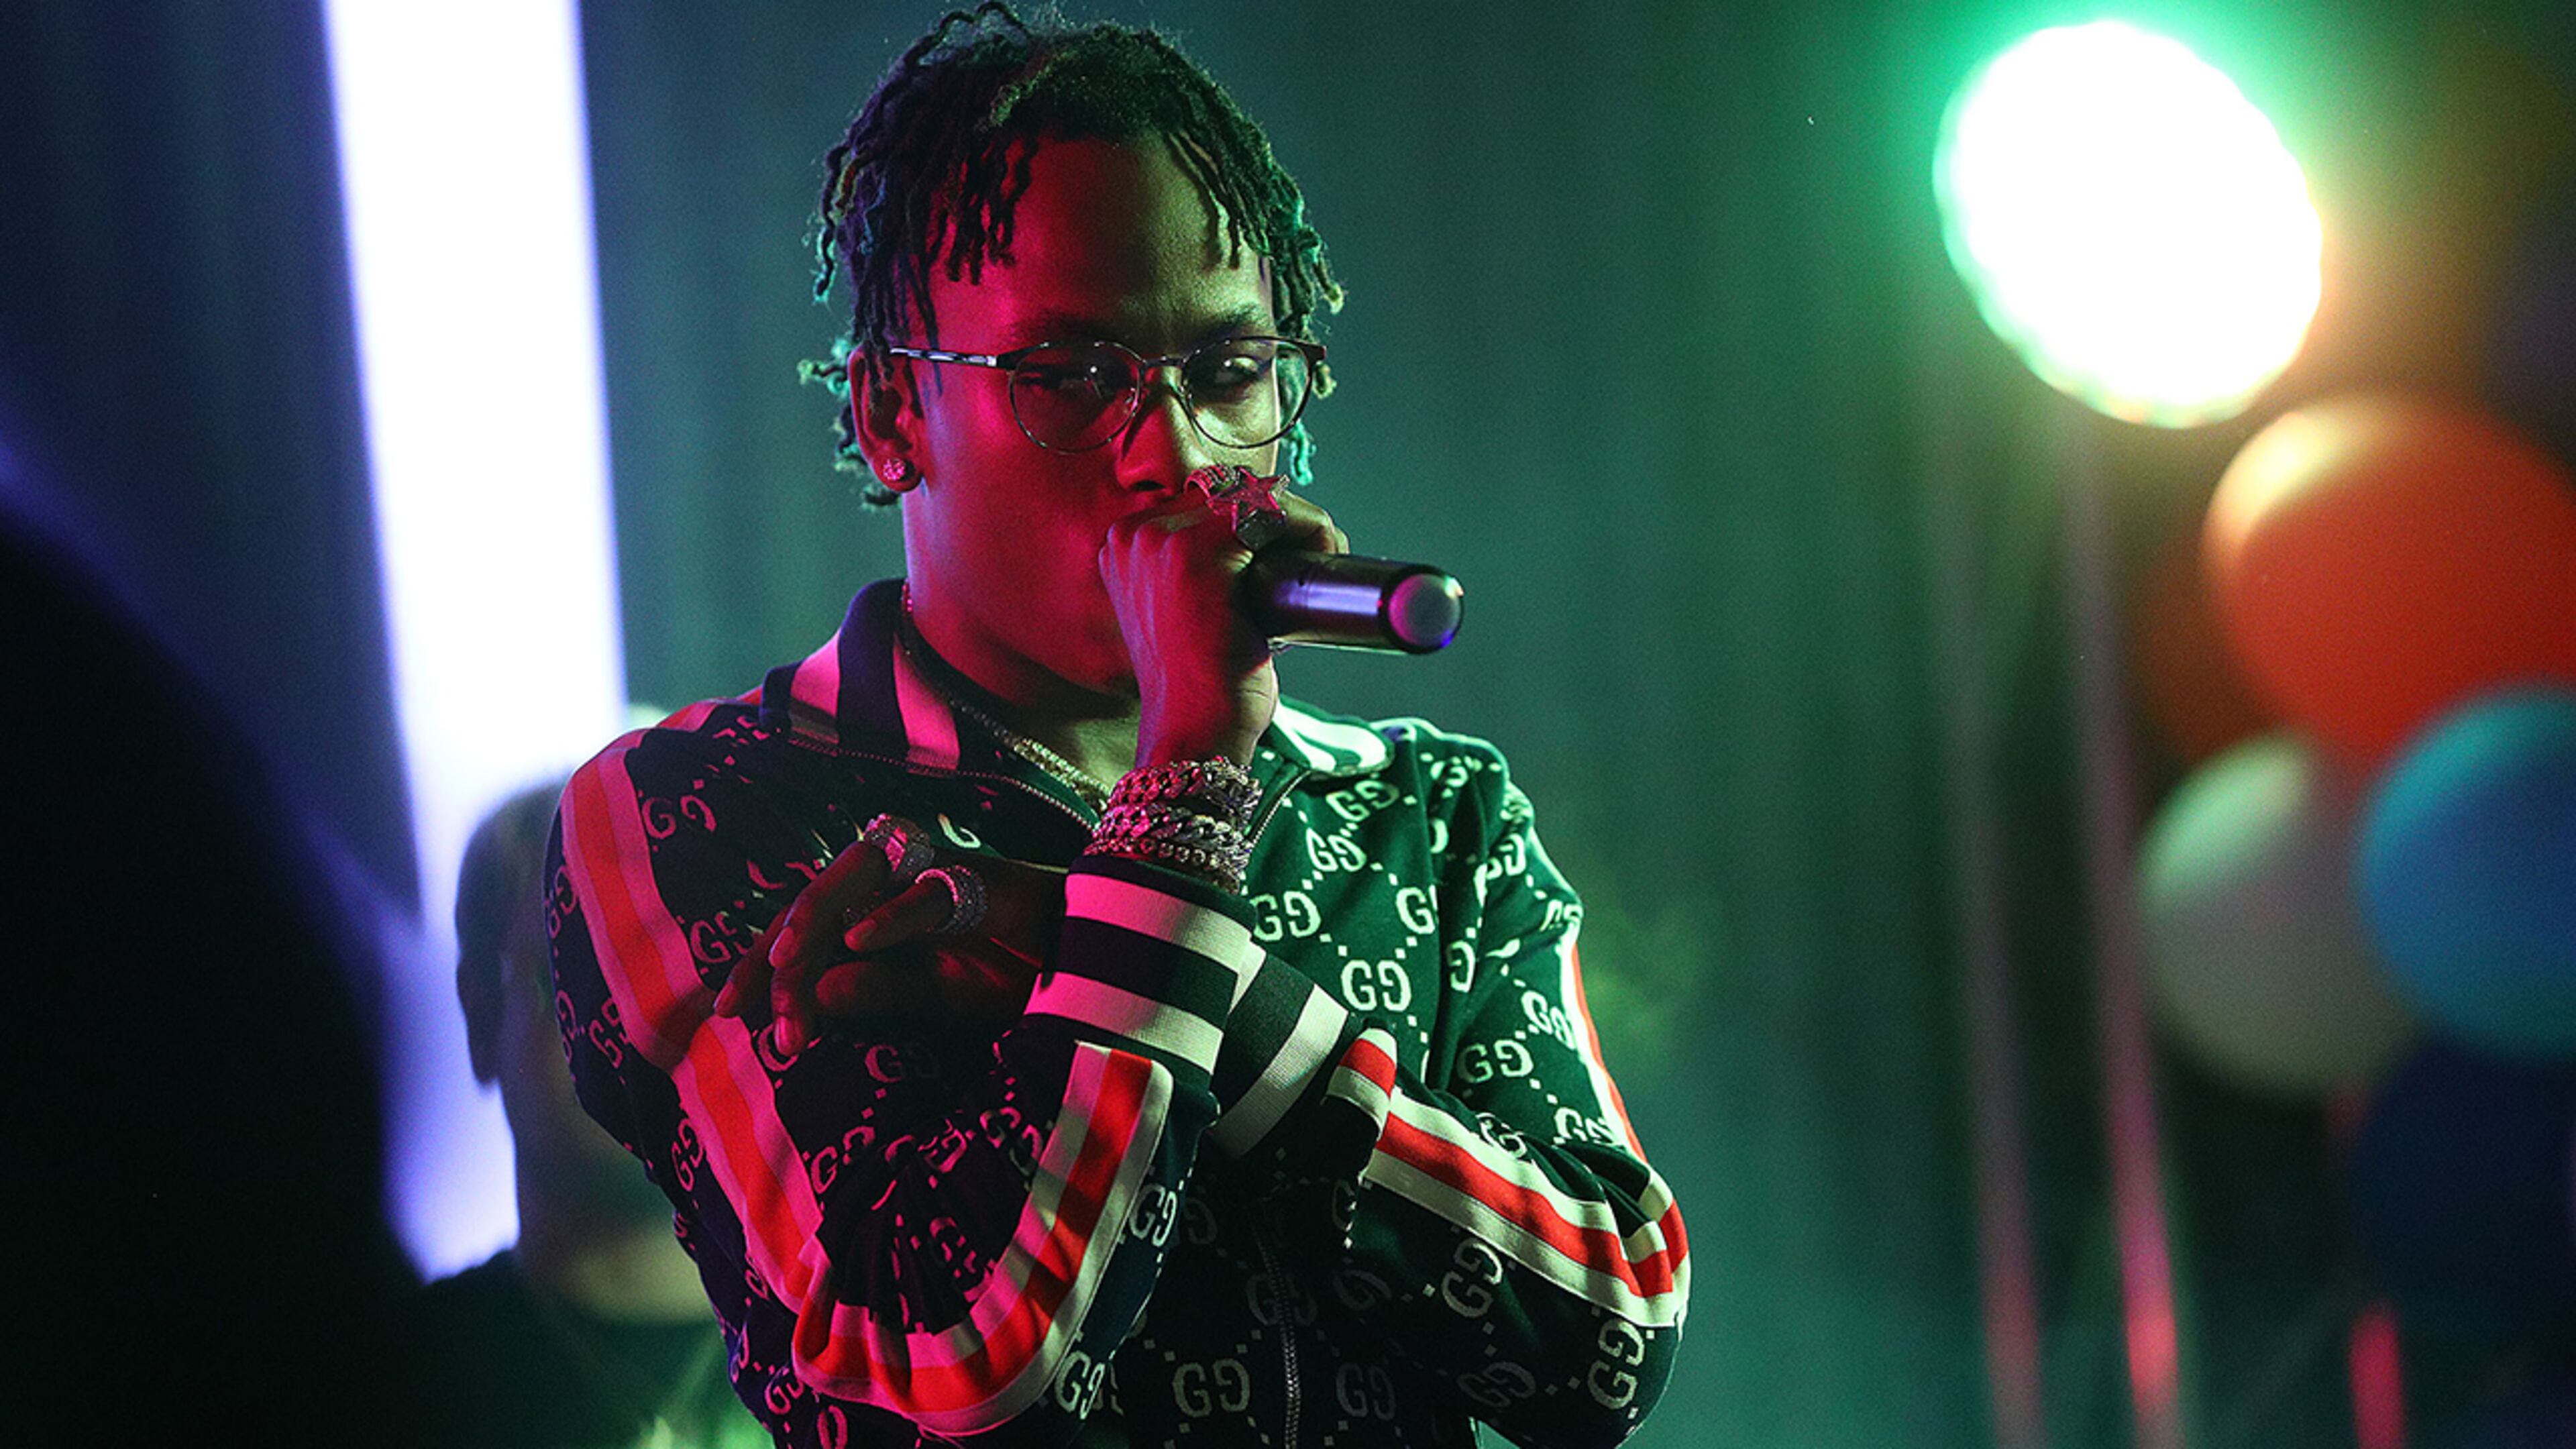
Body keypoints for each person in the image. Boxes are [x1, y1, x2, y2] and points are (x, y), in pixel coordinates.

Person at [547, 7, 1688, 1446]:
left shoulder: (1425, 812)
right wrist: (1189, 790)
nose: (1176, 457)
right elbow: (963, 1377)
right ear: (895, 410)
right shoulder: (698, 808)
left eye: (1225, 374)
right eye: (1073, 381)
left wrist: (1181, 977)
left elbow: (1604, 1346)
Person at [403, 780, 769, 1448]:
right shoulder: (371, 1389)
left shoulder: (908, 1374)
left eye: (686, 971)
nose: (636, 1028)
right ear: (483, 1017)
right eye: (579, 975)